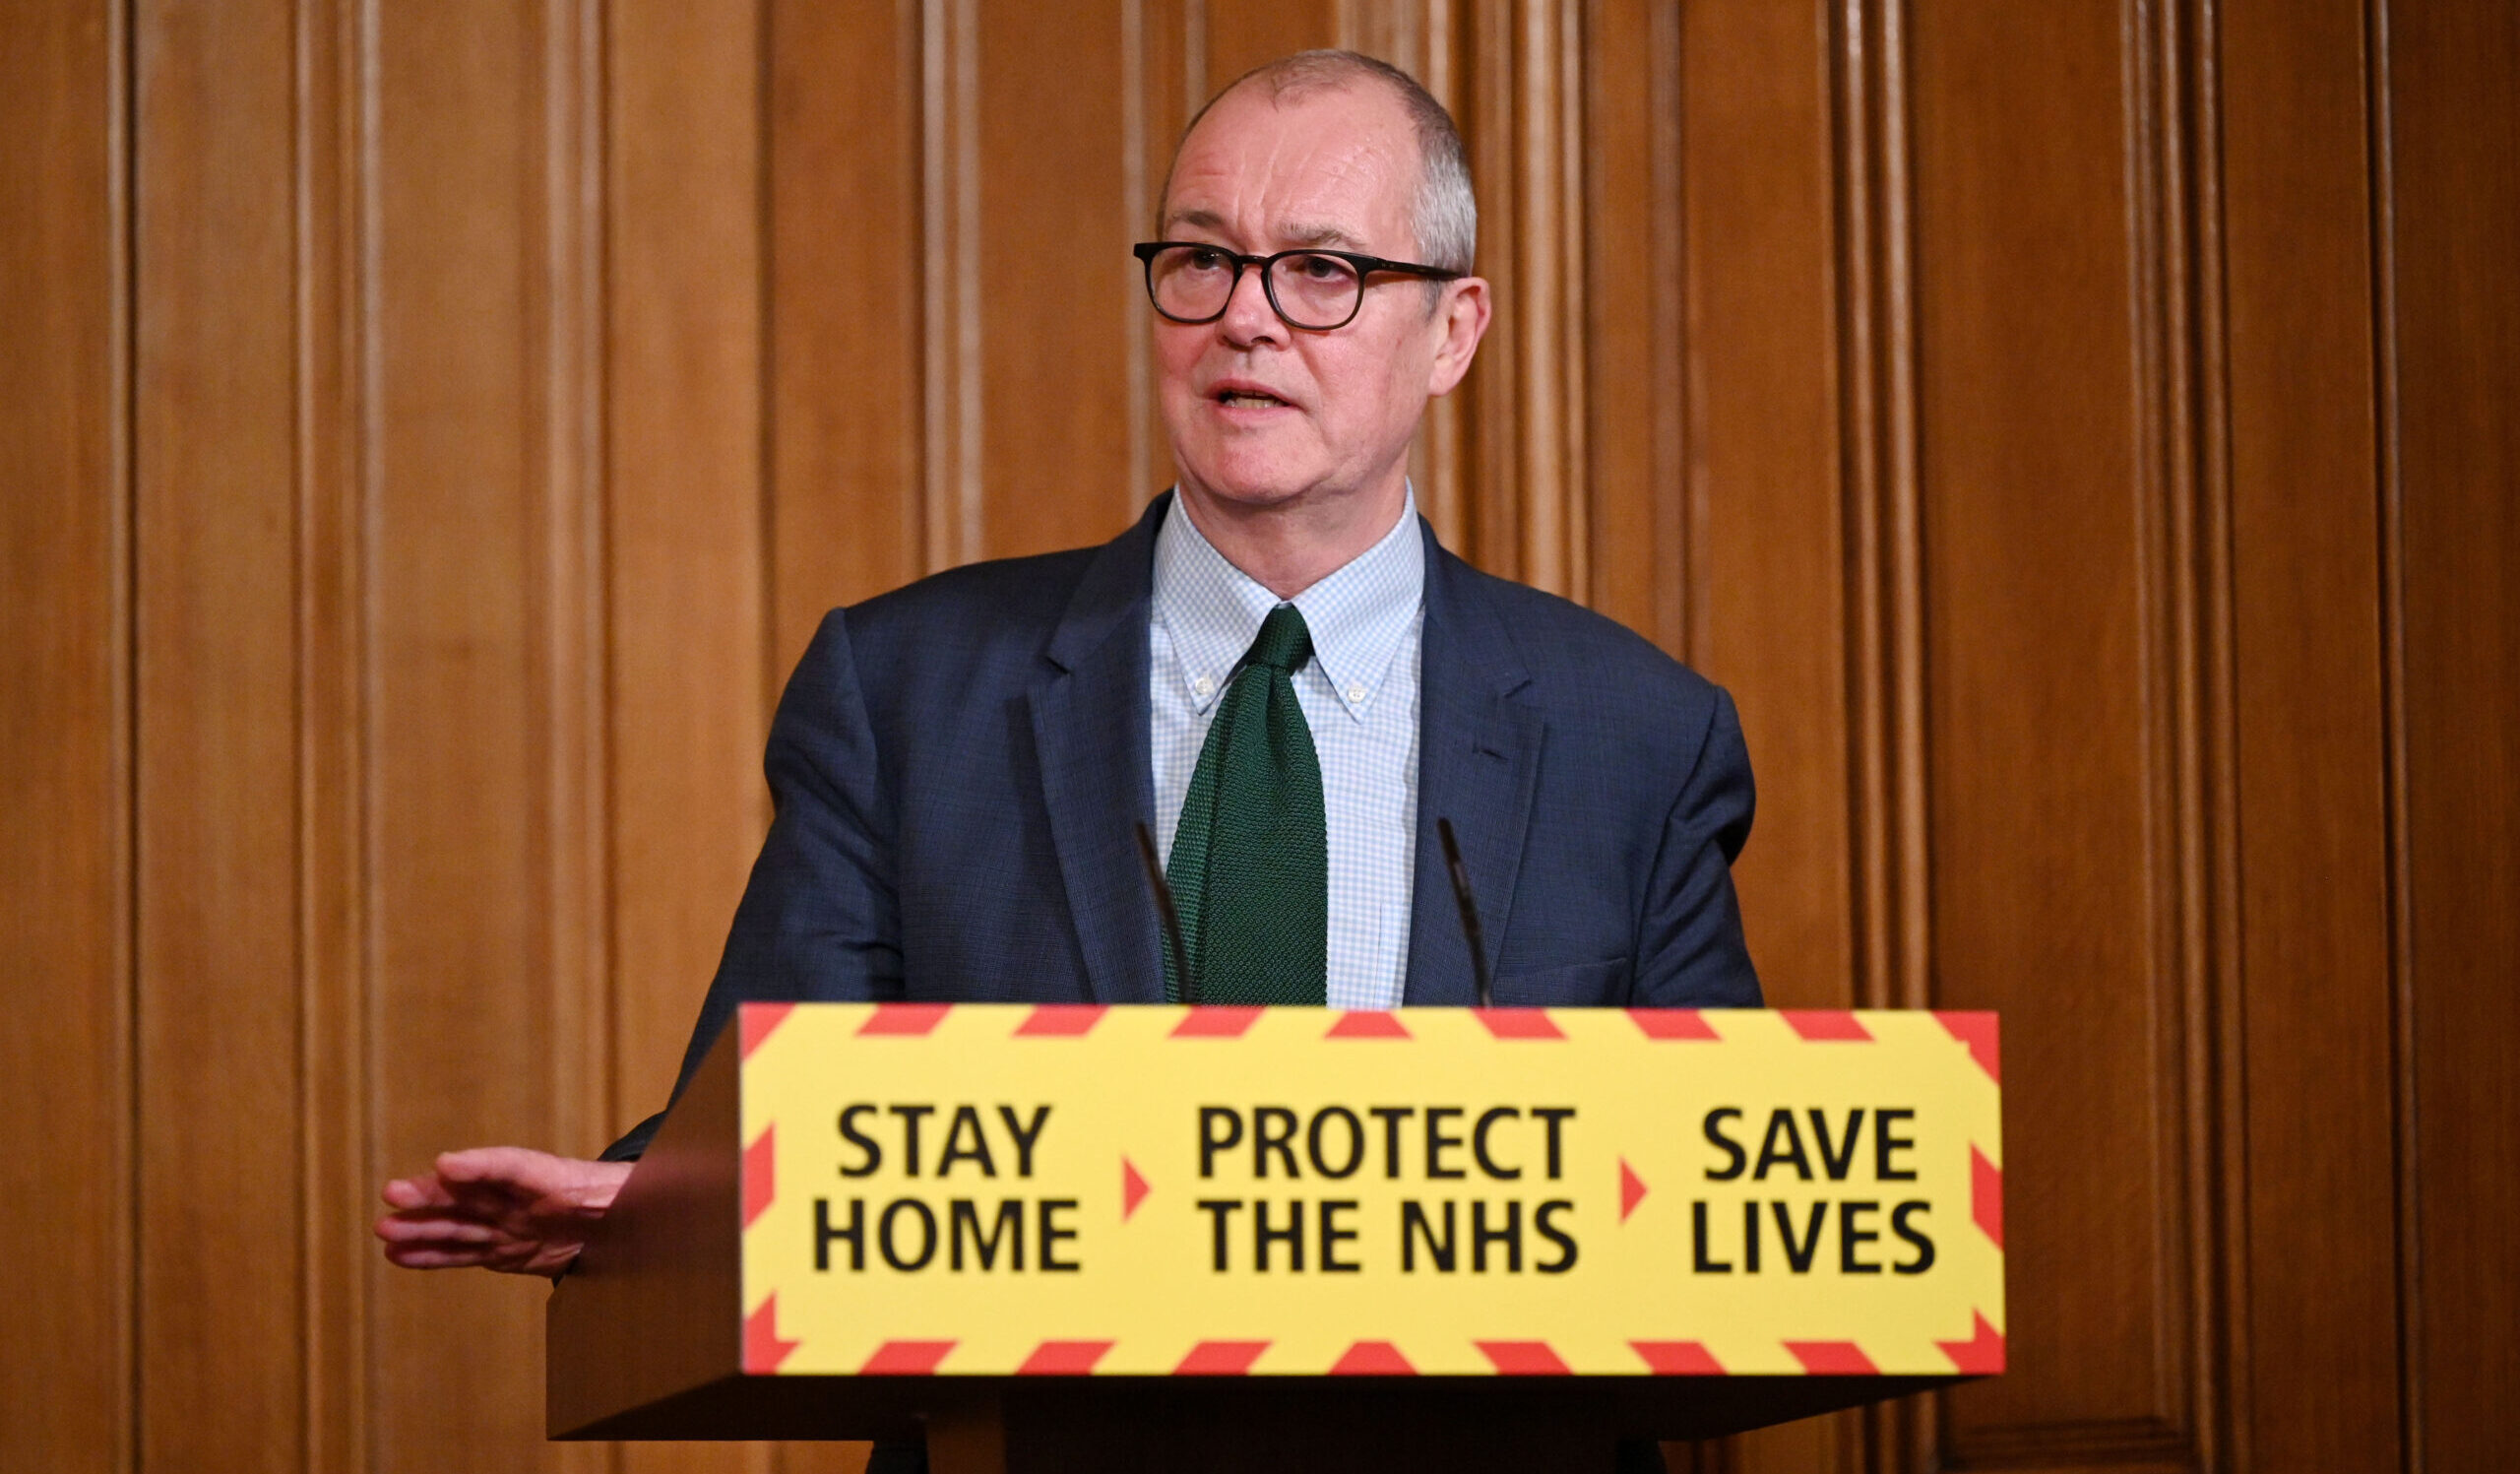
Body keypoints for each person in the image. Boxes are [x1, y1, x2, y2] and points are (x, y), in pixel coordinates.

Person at [381, 44, 1757, 1390]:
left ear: (1453, 330)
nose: (1246, 317)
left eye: (1323, 271)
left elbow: (1728, 1216)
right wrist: (649, 1206)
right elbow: (776, 1115)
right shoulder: (910, 691)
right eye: (1203, 259)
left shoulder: (1635, 737)